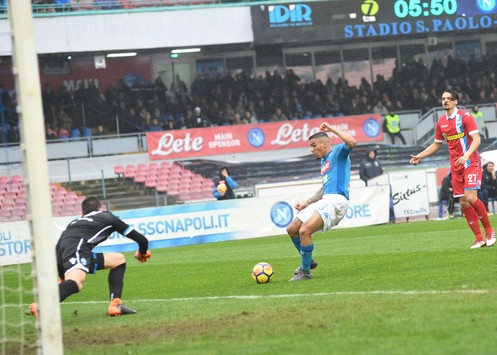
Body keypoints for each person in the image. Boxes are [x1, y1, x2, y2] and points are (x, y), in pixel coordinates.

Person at [29, 197, 151, 317]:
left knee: (118, 260)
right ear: (101, 208)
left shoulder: (75, 222)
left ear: (82, 212)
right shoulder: (108, 217)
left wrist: (62, 276)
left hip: (63, 251)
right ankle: (42, 306)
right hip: (78, 248)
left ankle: (115, 304)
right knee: (76, 283)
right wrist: (142, 252)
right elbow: (142, 239)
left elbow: (59, 249)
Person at [409, 89, 495, 249]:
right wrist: (420, 156)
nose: (445, 101)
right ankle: (479, 238)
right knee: (463, 202)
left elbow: (476, 139)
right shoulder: (441, 122)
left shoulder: (465, 117)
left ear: (456, 101)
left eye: (449, 98)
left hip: (471, 162)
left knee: (470, 197)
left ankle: (490, 231)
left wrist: (467, 155)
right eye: (443, 99)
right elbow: (437, 144)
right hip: (456, 167)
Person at [286, 122, 356, 281]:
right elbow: (325, 188)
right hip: (326, 199)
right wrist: (307, 202)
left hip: (337, 201)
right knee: (292, 229)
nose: (311, 150)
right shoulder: (324, 162)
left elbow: (352, 142)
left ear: (325, 144)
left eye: (314, 145)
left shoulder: (338, 152)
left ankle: (305, 272)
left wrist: (331, 129)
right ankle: (308, 260)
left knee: (305, 231)